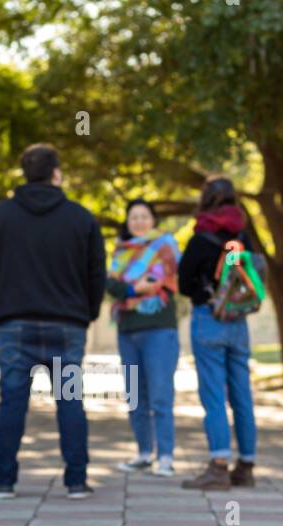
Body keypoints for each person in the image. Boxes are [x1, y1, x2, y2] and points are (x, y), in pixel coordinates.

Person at [0, 143, 106, 499]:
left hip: (15, 324)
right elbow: (97, 274)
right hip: (67, 325)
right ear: (56, 173)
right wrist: (87, 313)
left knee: (13, 401)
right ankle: (76, 481)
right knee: (69, 401)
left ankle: (4, 481)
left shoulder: (1, 217)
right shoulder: (80, 218)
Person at [177, 176, 258, 491]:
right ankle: (247, 466)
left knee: (213, 395)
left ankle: (219, 466)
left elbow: (184, 284)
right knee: (242, 395)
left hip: (208, 319)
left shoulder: (201, 238)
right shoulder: (242, 236)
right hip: (238, 321)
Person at [105, 199, 181, 477]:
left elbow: (168, 277)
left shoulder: (165, 246)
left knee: (160, 394)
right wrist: (132, 289)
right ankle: (144, 453)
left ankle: (166, 456)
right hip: (127, 329)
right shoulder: (120, 251)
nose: (138, 221)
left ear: (153, 219)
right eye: (133, 217)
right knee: (136, 396)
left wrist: (137, 286)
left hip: (159, 328)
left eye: (144, 216)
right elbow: (110, 284)